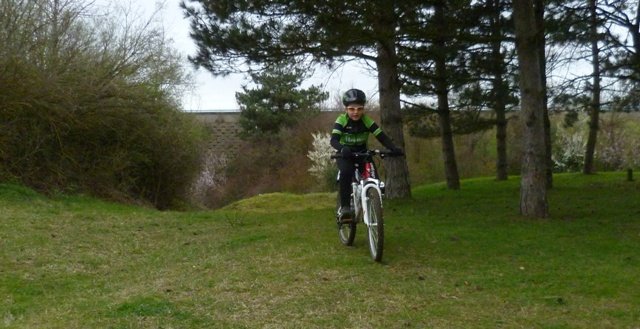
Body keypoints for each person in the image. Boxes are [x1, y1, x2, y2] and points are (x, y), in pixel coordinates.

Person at [331, 88, 402, 220]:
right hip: (345, 154)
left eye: (359, 109)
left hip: (362, 153)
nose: (355, 112)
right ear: (346, 109)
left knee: (373, 176)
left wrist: (393, 148)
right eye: (352, 109)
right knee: (346, 172)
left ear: (363, 109)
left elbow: (381, 136)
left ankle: (373, 200)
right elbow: (333, 140)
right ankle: (345, 208)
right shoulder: (341, 120)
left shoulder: (366, 121)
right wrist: (342, 148)